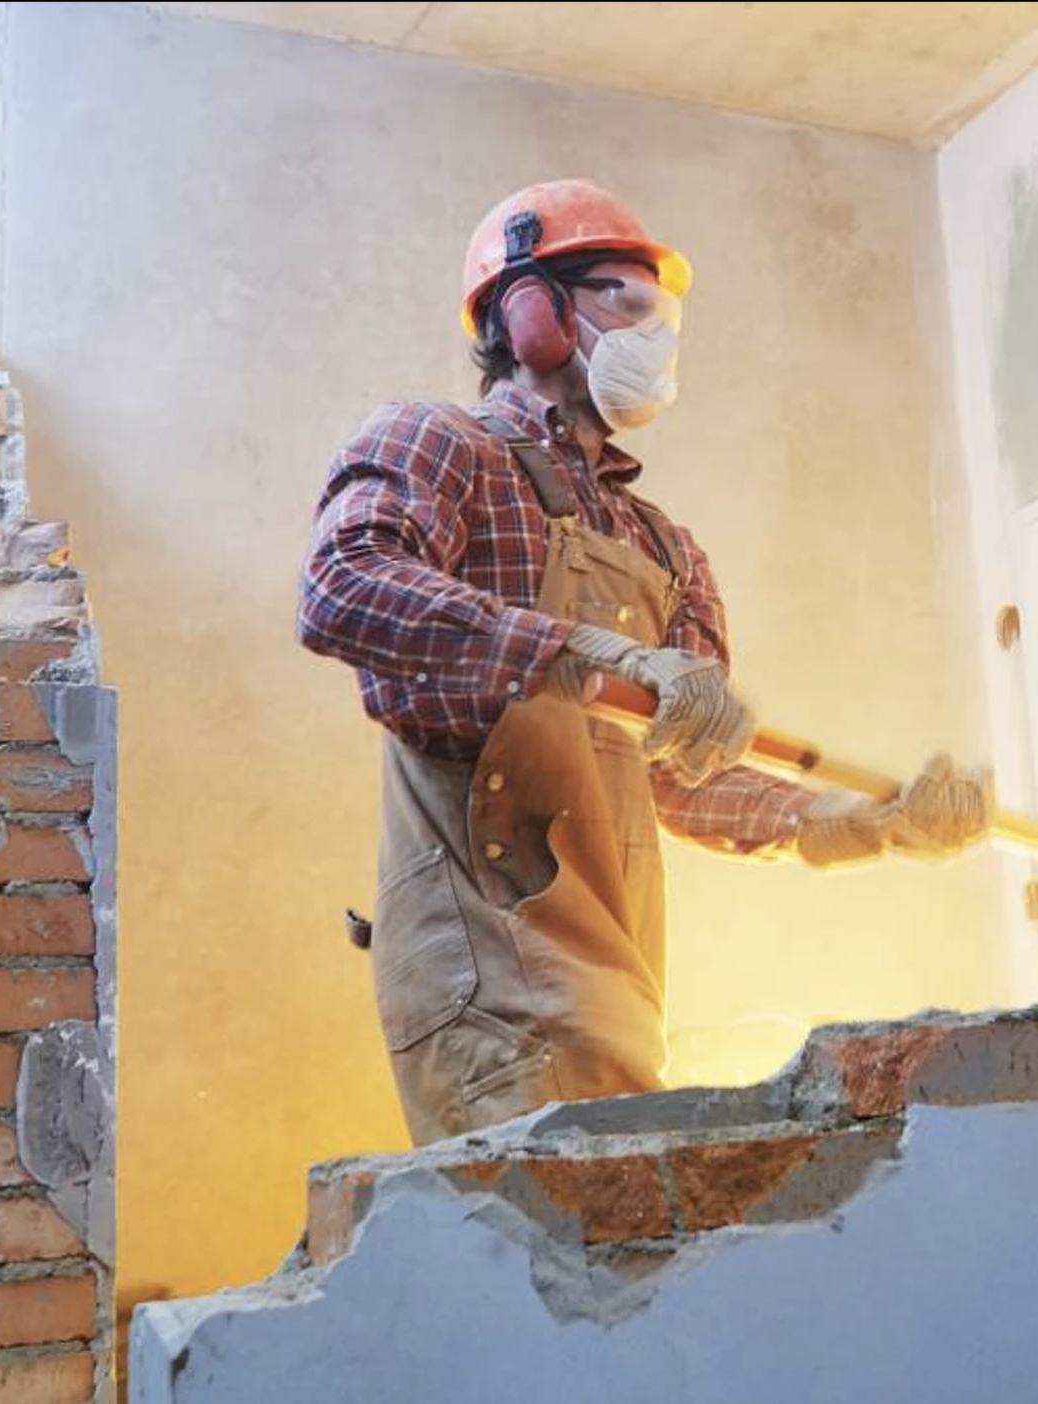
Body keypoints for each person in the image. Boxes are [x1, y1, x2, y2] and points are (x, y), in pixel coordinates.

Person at [297, 178, 992, 1143]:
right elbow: (343, 585)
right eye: (626, 297)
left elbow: (678, 781)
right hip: (488, 968)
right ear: (531, 311)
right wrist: (581, 652)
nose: (656, 331)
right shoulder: (436, 444)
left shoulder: (666, 548)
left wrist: (862, 822)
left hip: (613, 970)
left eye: (663, 312)